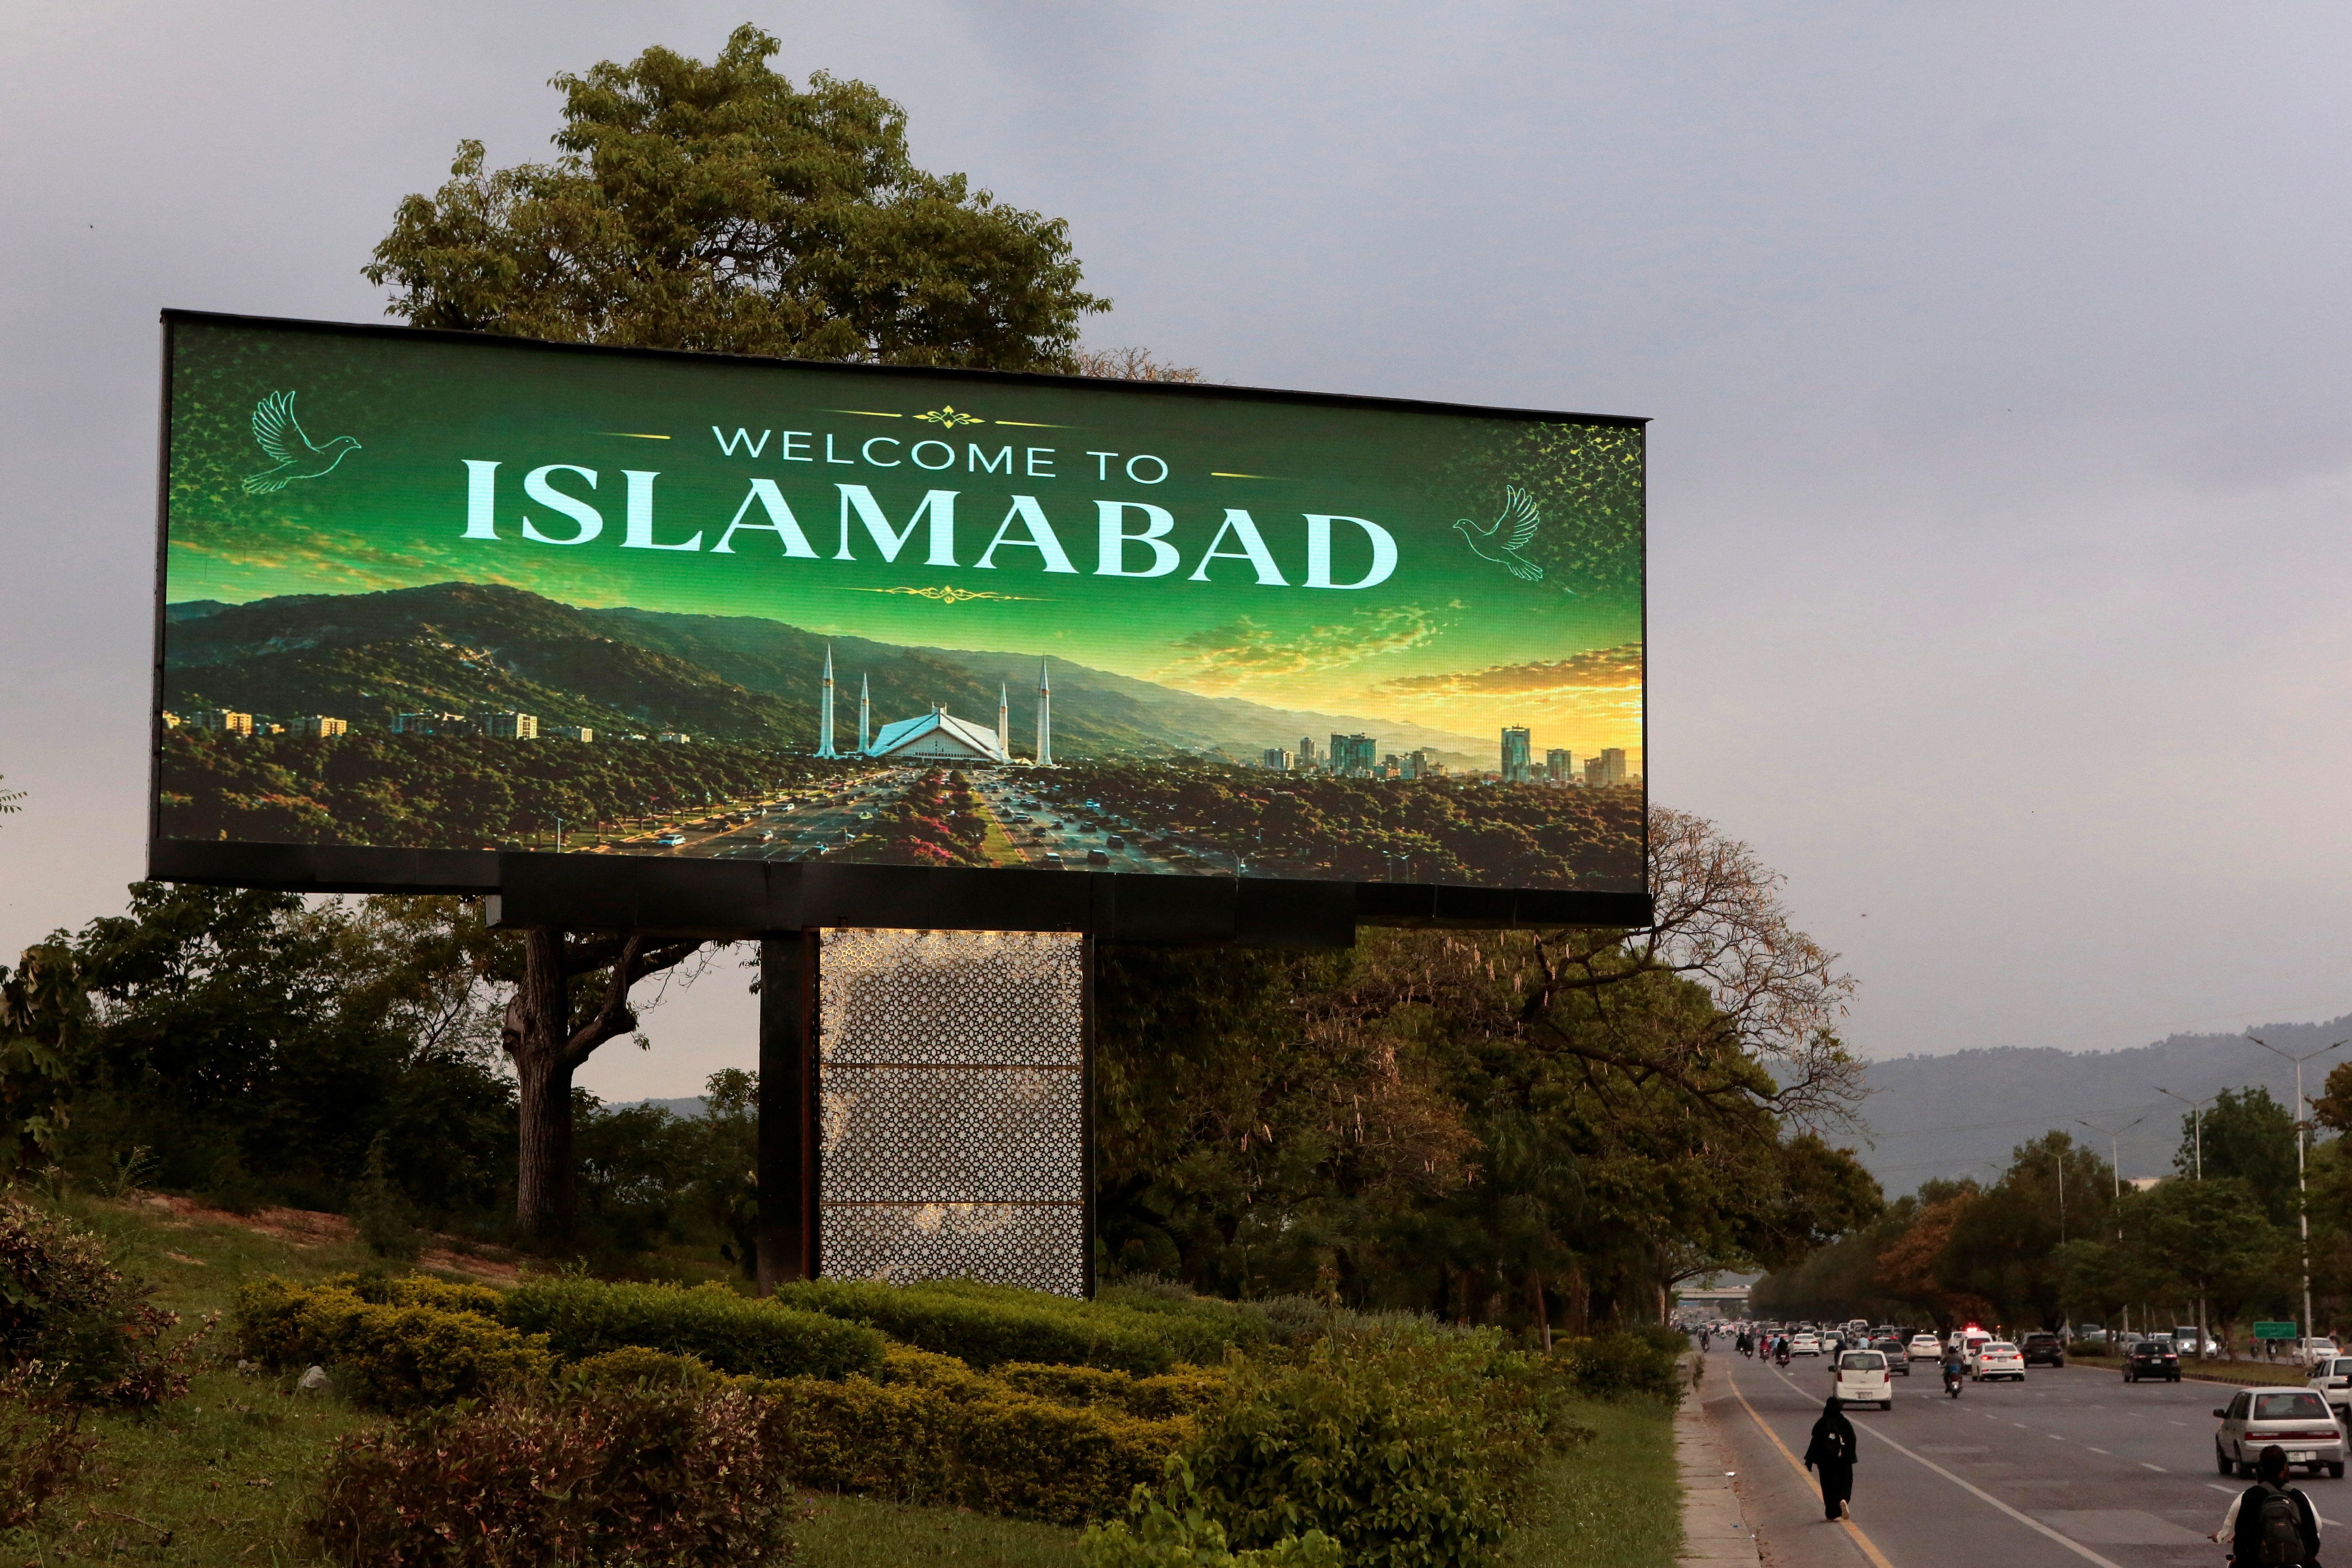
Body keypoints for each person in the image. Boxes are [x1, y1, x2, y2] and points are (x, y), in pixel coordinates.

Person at [2212, 1445, 2321, 1565]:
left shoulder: (2250, 1496)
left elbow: (2241, 1544)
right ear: (2285, 1468)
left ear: (2261, 1468)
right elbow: (2314, 1541)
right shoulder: (2298, 1496)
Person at [1804, 1395, 1859, 1522]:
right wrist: (1849, 1458)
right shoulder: (1845, 1423)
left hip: (1826, 1463)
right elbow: (1852, 1441)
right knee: (1844, 1483)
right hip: (1843, 1461)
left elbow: (1815, 1443)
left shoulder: (1822, 1423)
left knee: (1829, 1487)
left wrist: (1810, 1461)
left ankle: (1832, 1512)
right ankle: (1844, 1499)